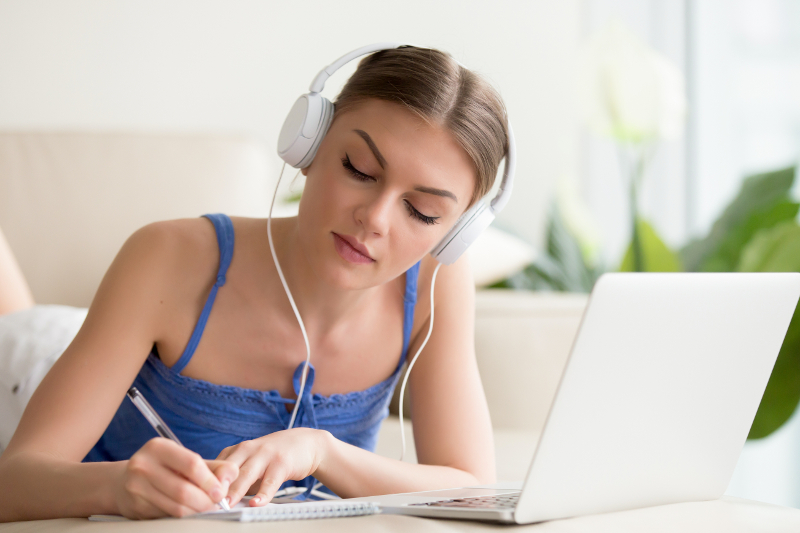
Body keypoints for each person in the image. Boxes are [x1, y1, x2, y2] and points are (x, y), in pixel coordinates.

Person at [0, 45, 509, 521]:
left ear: (457, 234)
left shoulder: (436, 283)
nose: (374, 218)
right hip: (28, 364)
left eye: (421, 212)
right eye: (359, 168)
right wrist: (113, 487)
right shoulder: (167, 257)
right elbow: (13, 482)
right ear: (308, 142)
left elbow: (472, 489)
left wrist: (320, 451)